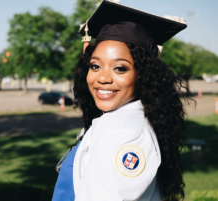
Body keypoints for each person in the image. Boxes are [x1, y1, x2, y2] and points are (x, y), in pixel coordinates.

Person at [52, 1, 189, 200]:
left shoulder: (126, 133)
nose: (103, 78)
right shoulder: (112, 119)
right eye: (95, 66)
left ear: (144, 75)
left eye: (120, 68)